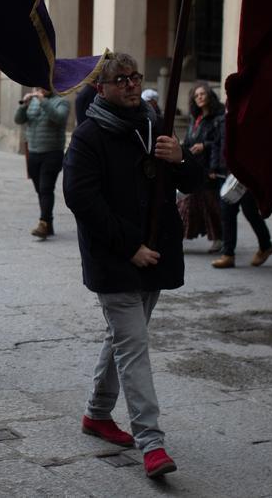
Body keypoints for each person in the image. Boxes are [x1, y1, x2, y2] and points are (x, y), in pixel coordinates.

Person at [63, 51, 203, 479]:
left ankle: (96, 414)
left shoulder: (153, 126)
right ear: (101, 88)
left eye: (133, 77)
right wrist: (129, 247)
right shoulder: (89, 137)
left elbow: (194, 184)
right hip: (116, 259)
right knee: (134, 346)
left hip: (155, 257)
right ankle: (152, 443)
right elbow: (80, 199)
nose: (128, 85)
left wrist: (180, 158)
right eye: (119, 79)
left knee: (124, 339)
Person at [212, 123, 272, 269]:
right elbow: (219, 143)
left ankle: (264, 245)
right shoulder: (225, 118)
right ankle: (229, 254)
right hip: (229, 171)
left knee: (249, 211)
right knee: (229, 210)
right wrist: (215, 166)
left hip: (247, 171)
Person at [15, 86, 70, 238]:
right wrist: (23, 105)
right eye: (38, 86)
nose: (40, 89)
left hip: (52, 152)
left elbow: (59, 118)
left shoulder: (61, 102)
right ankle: (48, 223)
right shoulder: (32, 102)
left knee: (46, 188)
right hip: (33, 152)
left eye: (44, 86)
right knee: (40, 189)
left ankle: (43, 223)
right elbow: (18, 119)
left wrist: (43, 101)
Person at [178, 83, 225, 252]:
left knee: (211, 206)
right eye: (196, 95)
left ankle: (219, 238)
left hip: (208, 169)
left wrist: (204, 146)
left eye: (202, 94)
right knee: (188, 203)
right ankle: (178, 237)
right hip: (195, 167)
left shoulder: (217, 119)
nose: (199, 97)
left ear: (209, 96)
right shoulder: (195, 119)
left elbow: (220, 143)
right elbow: (189, 141)